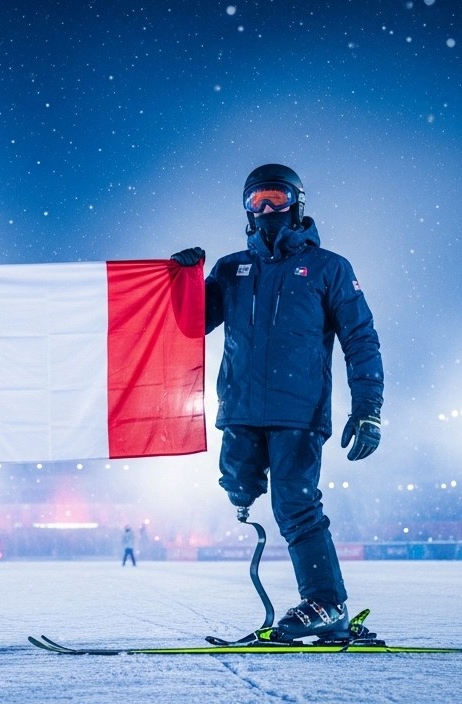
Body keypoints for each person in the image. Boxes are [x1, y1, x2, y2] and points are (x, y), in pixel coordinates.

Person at [171, 163, 383, 641]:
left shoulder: (329, 268)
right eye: (257, 202)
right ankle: (248, 498)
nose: (267, 210)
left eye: (276, 199)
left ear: (297, 205)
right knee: (237, 486)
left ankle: (327, 604)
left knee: (295, 502)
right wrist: (181, 279)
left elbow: (361, 338)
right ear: (246, 210)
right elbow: (190, 323)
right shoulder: (231, 269)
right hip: (241, 409)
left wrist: (367, 408)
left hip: (298, 411)